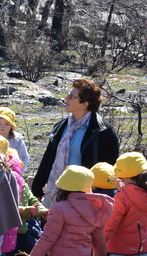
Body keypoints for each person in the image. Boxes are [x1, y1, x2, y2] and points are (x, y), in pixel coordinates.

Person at [32, 79, 119, 207]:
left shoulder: (104, 131)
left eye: (71, 96)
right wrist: (37, 188)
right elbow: (48, 158)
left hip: (86, 195)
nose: (66, 98)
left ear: (84, 104)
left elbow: (110, 168)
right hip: (58, 189)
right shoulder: (61, 127)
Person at [105, 152, 147, 256]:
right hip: (144, 249)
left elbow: (110, 224)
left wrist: (97, 247)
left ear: (127, 176)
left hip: (120, 251)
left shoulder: (122, 197)